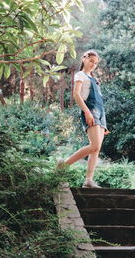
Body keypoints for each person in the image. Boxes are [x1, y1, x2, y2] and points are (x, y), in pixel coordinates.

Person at [57, 50, 109, 188]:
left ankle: (88, 181)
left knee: (96, 149)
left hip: (100, 112)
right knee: (94, 145)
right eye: (91, 61)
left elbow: (99, 100)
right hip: (90, 110)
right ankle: (63, 165)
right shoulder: (80, 75)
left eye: (96, 63)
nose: (93, 64)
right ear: (84, 59)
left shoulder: (95, 79)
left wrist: (103, 121)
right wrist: (87, 112)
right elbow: (76, 95)